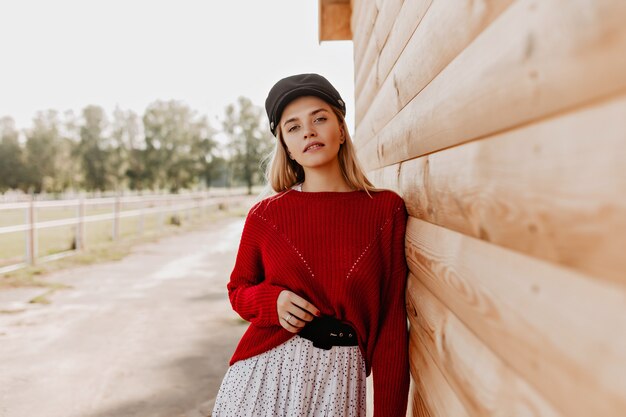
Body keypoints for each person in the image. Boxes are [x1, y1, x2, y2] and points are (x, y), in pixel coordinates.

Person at [212, 73, 409, 417]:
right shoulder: (266, 216)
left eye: (320, 118)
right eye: (293, 127)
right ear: (286, 147)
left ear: (342, 130)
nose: (308, 131)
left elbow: (391, 325)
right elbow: (238, 290)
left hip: (339, 385)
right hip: (263, 381)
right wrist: (271, 301)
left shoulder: (385, 211)